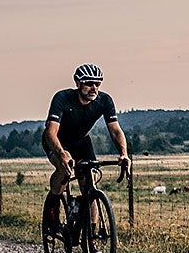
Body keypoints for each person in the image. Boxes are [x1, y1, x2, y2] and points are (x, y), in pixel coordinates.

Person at [42, 63, 129, 229]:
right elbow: (51, 132)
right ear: (78, 83)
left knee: (90, 183)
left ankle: (91, 235)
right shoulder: (62, 98)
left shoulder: (104, 100)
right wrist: (61, 154)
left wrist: (124, 153)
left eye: (98, 83)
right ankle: (53, 207)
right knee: (64, 170)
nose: (94, 88)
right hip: (57, 141)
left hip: (81, 142)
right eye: (89, 83)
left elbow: (115, 131)